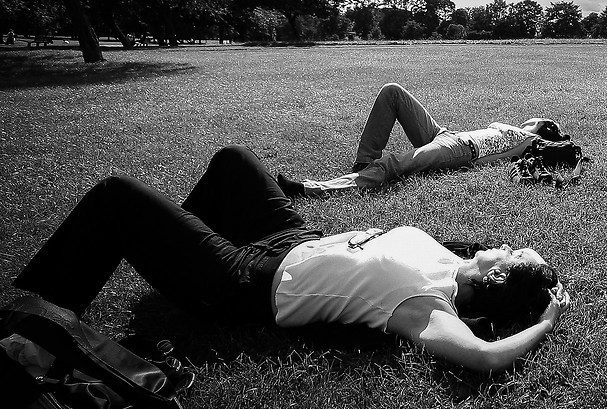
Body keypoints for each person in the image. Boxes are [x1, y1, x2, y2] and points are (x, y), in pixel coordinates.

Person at [12, 145, 571, 373]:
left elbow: (485, 358)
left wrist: (545, 319)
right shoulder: (457, 258)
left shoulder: (427, 307)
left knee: (116, 196)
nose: (506, 240)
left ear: (496, 273)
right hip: (289, 235)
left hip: (246, 281)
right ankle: (171, 253)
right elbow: (483, 262)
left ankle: (28, 325)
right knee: (235, 162)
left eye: (514, 249)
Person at [279, 83, 569, 195]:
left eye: (538, 119)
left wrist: (472, 162)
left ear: (542, 127)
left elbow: (499, 157)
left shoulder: (525, 140)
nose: (531, 118)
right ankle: (363, 163)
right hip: (446, 135)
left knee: (392, 164)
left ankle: (311, 189)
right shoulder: (510, 129)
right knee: (392, 92)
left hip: (461, 150)